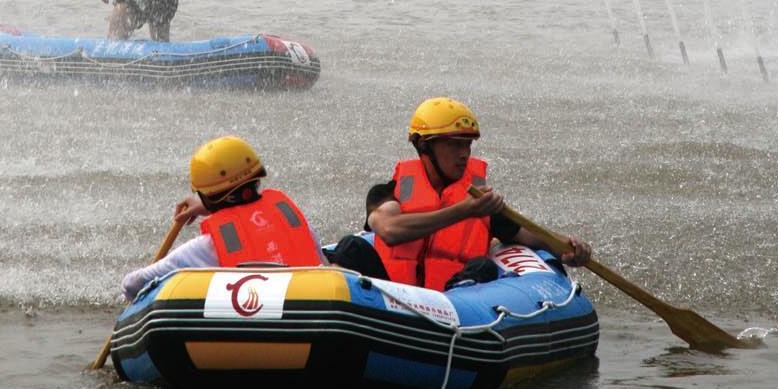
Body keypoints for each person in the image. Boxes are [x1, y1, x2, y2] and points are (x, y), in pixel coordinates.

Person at [366, 97, 592, 291]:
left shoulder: (481, 205)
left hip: (452, 306)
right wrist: (464, 211)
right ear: (424, 145)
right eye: (455, 145)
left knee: (483, 267)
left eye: (468, 145)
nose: (464, 154)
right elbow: (390, 230)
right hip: (390, 297)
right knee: (352, 248)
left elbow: (529, 235)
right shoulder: (387, 194)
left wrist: (568, 249)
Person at [121, 136, 325, 299]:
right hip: (313, 307)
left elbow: (132, 285)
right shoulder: (295, 222)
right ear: (256, 179)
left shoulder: (205, 248)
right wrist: (213, 208)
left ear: (207, 196)